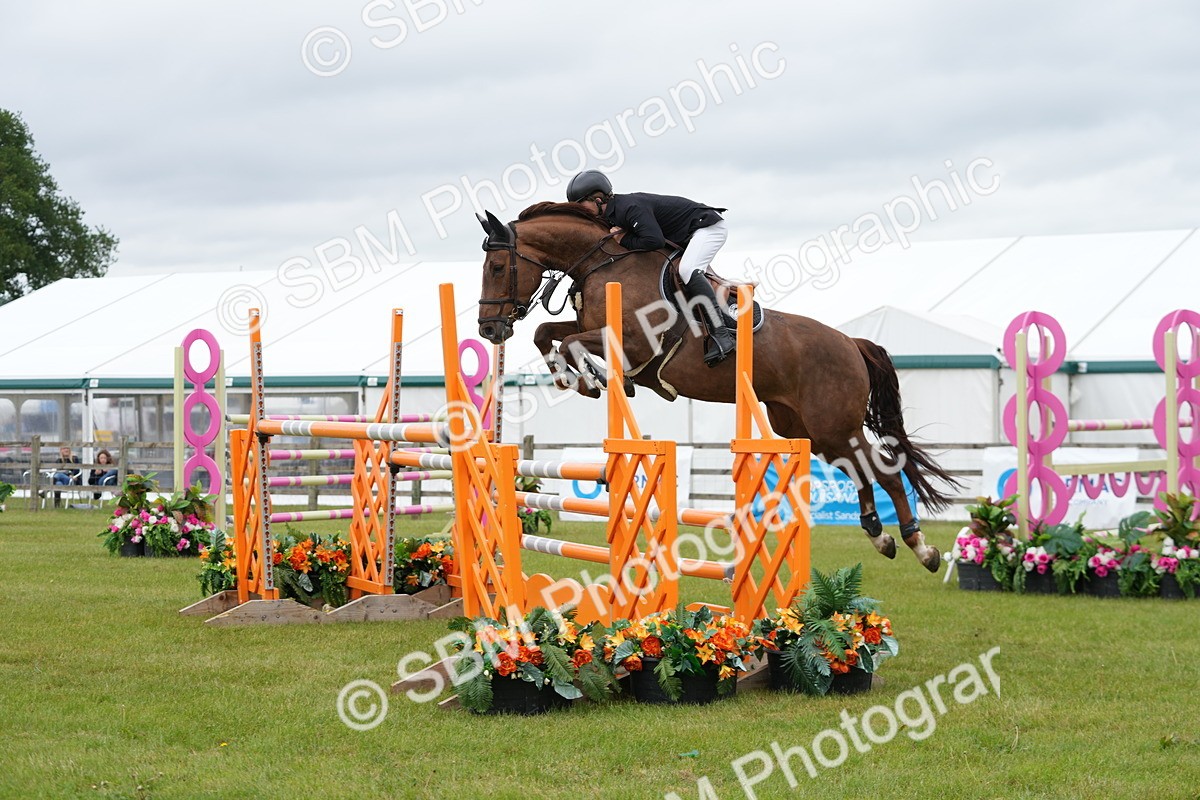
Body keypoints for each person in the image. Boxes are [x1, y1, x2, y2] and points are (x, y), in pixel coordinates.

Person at [566, 170, 735, 366]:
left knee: (687, 270)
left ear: (597, 199)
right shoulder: (610, 216)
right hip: (685, 234)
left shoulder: (629, 207)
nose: (579, 211)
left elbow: (653, 241)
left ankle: (722, 334)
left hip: (707, 228)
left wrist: (624, 239)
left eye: (580, 204)